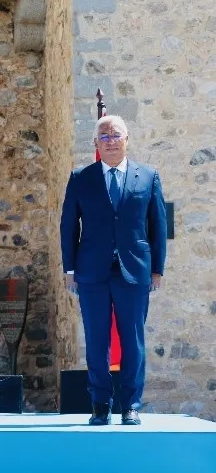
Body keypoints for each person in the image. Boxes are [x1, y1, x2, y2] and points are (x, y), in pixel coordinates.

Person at [60, 114, 167, 426]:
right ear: (95, 143)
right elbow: (68, 226)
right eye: (103, 136)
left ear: (127, 139)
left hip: (134, 271)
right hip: (91, 271)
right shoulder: (81, 178)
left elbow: (157, 226)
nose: (109, 141)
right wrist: (69, 268)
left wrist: (157, 268)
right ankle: (99, 403)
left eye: (115, 135)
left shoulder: (148, 177)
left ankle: (131, 404)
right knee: (96, 339)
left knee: (133, 340)